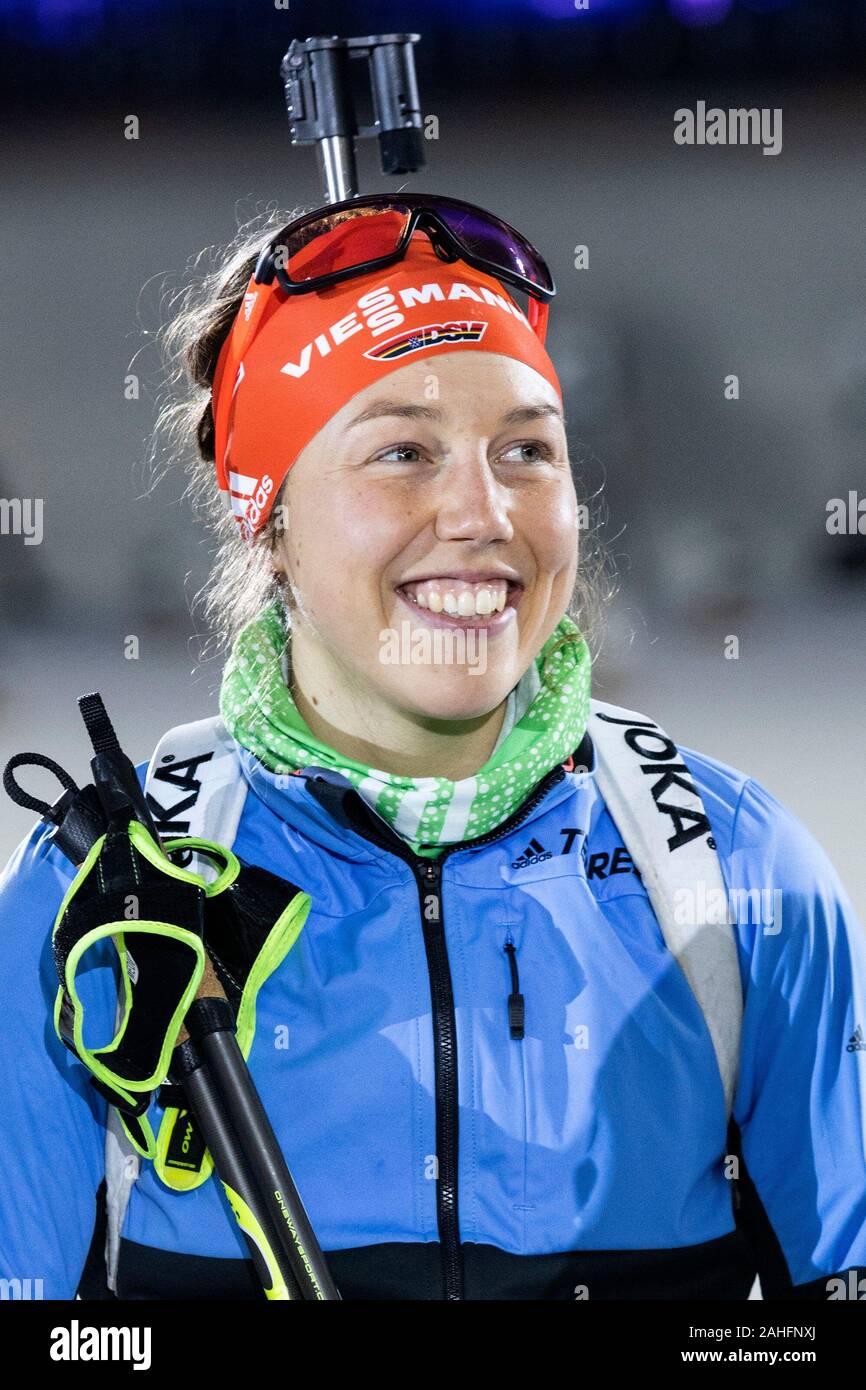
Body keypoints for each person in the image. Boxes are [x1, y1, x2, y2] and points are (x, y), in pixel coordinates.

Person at [0, 197, 864, 1302]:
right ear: (264, 520)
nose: (479, 510)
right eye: (401, 451)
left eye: (526, 450)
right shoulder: (100, 905)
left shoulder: (726, 866)